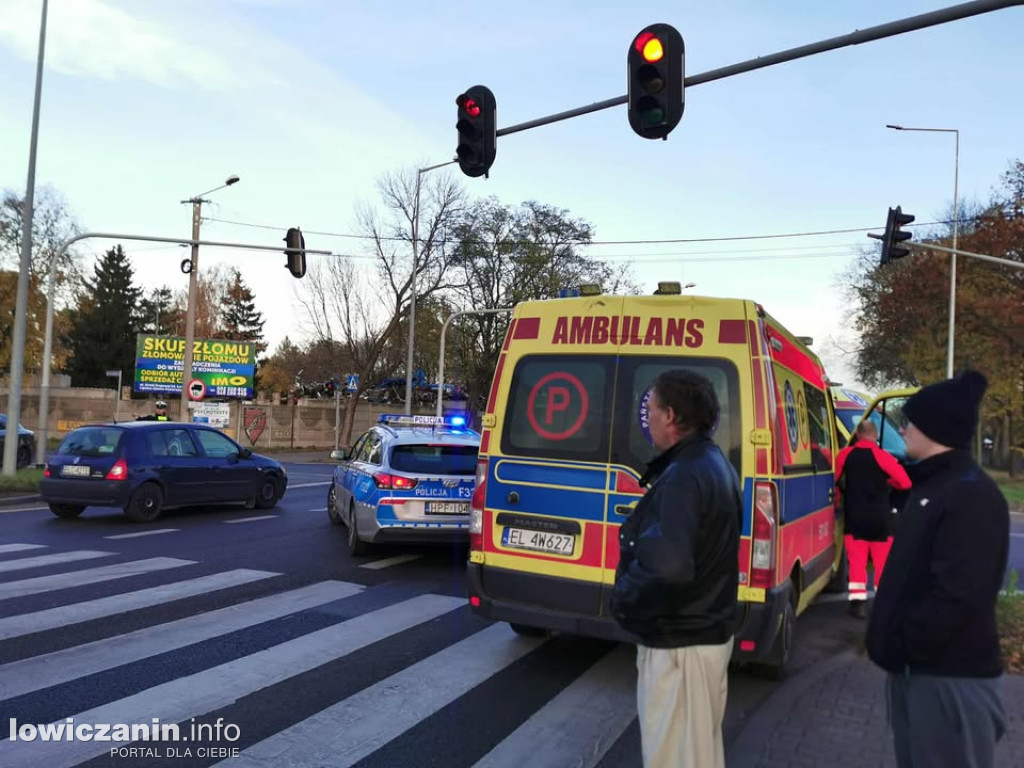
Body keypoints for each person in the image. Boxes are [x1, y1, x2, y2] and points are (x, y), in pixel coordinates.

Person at [866, 370, 1009, 768]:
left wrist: (902, 644)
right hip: (921, 675)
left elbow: (959, 596)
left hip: (950, 681)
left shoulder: (969, 495)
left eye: (911, 421)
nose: (904, 428)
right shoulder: (934, 486)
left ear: (936, 428)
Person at [611, 370, 741, 768]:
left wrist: (624, 601)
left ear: (670, 416)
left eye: (649, 408)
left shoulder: (685, 475)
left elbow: (668, 567)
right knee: (696, 755)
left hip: (681, 644)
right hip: (699, 635)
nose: (645, 417)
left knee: (676, 759)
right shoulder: (711, 462)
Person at [834, 419, 911, 618]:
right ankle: (884, 606)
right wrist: (887, 483)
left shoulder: (845, 455)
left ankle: (858, 605)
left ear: (858, 435)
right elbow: (905, 482)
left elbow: (832, 479)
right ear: (875, 436)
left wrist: (837, 497)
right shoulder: (883, 457)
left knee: (857, 562)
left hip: (855, 517)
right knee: (882, 563)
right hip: (880, 518)